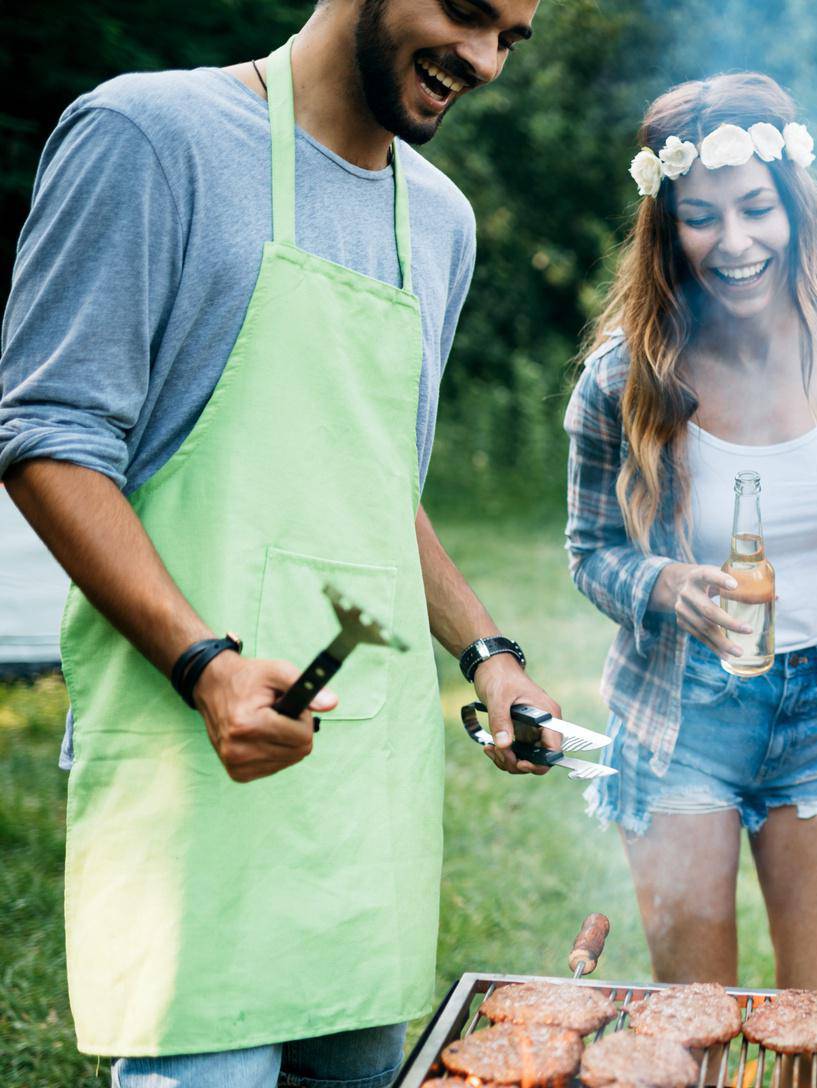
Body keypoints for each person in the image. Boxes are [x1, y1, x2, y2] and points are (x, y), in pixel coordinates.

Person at [0, 1, 555, 1083]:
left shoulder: (442, 221)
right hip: (196, 779)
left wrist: (490, 653)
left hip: (366, 794)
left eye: (513, 38)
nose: (485, 62)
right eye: (466, 13)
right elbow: (47, 437)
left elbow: (374, 484)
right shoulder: (151, 139)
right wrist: (204, 665)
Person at [565, 72, 817, 994]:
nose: (734, 242)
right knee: (697, 1036)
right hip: (681, 717)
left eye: (756, 208)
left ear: (793, 206)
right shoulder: (623, 378)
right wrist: (662, 585)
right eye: (702, 216)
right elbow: (591, 550)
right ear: (665, 226)